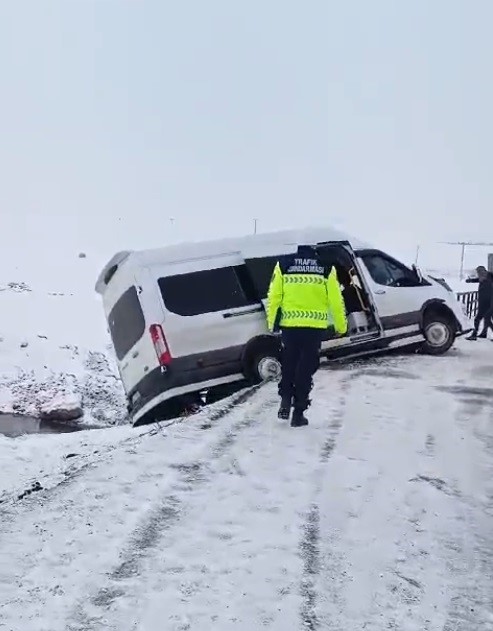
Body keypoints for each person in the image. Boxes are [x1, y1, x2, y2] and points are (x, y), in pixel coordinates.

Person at [266, 244, 347, 427]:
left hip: (290, 327)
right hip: (314, 328)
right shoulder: (326, 268)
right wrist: (341, 326)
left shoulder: (284, 264)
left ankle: (285, 400)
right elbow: (336, 300)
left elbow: (274, 296)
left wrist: (272, 323)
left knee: (289, 364)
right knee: (305, 369)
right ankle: (298, 413)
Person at [466, 265, 493, 340]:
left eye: (478, 272)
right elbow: (477, 280)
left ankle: (474, 334)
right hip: (484, 302)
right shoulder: (483, 278)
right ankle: (483, 333)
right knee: (487, 319)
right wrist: (470, 280)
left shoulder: (489, 276)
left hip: (487, 302)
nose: (478, 273)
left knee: (479, 319)